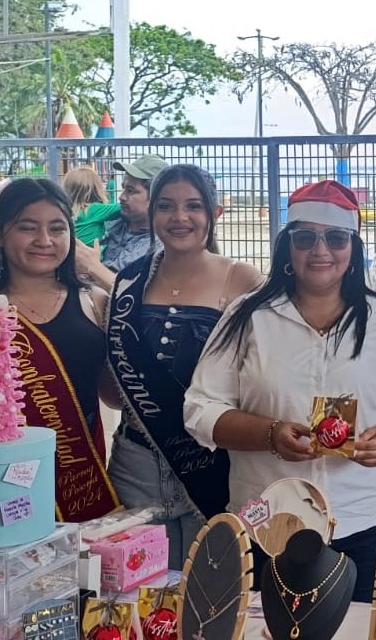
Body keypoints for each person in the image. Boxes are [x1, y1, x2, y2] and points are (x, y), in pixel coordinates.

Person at [184, 181, 376, 601]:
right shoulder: (248, 317)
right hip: (269, 522)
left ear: (353, 249)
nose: (321, 251)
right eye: (306, 238)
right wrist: (270, 434)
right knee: (265, 636)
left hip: (365, 518)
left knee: (358, 634)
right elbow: (200, 409)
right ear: (288, 248)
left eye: (336, 238)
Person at [0, 177, 120, 522]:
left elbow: (114, 396)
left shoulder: (95, 302)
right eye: (28, 228)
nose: (44, 240)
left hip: (82, 485)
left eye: (57, 228)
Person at [105, 164, 263, 568]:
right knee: (136, 590)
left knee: (209, 589)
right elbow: (113, 393)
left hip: (211, 464)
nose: (180, 217)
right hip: (134, 465)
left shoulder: (244, 280)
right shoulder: (128, 282)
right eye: (166, 206)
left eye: (193, 206)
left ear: (215, 212)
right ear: (152, 213)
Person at [76, 154, 167, 286]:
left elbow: (135, 294)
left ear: (156, 197)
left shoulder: (162, 247)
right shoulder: (108, 224)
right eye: (124, 188)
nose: (122, 196)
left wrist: (93, 266)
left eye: (131, 190)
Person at [61, 164, 121, 247]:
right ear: (96, 189)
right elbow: (122, 208)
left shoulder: (64, 211)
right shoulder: (94, 209)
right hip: (92, 253)